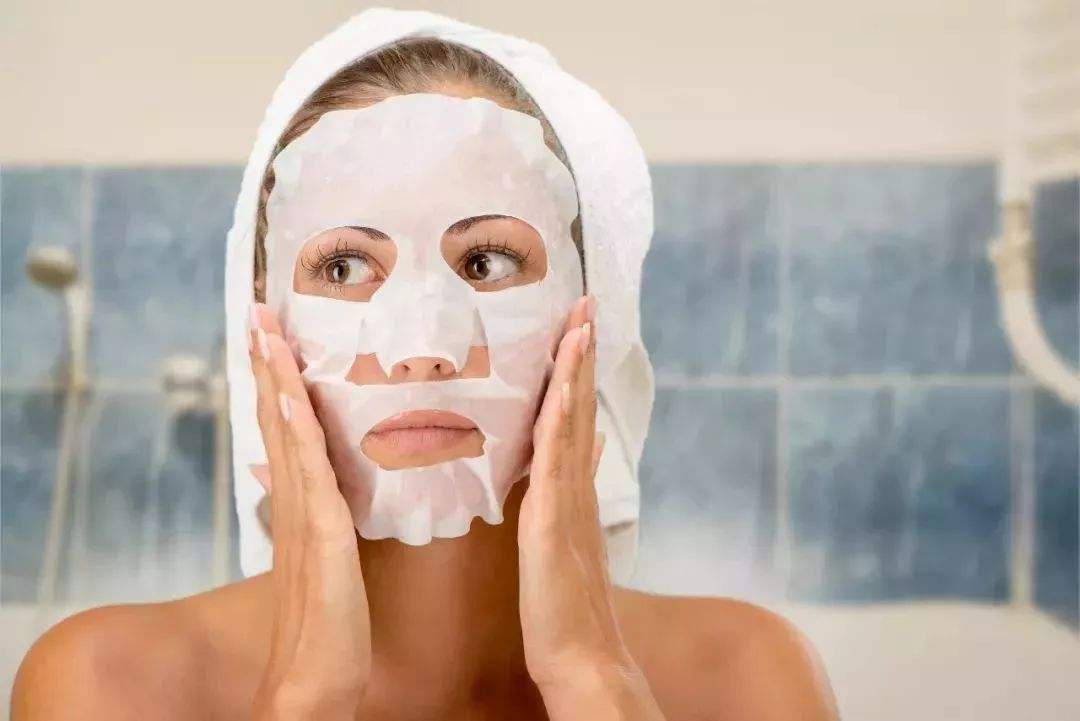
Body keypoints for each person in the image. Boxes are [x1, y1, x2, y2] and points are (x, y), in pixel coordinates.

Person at [12, 10, 837, 721]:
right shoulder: (107, 684)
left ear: (589, 316)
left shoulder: (745, 678)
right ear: (264, 327)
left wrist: (593, 676)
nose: (420, 348)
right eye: (344, 267)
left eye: (486, 261)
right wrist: (304, 695)